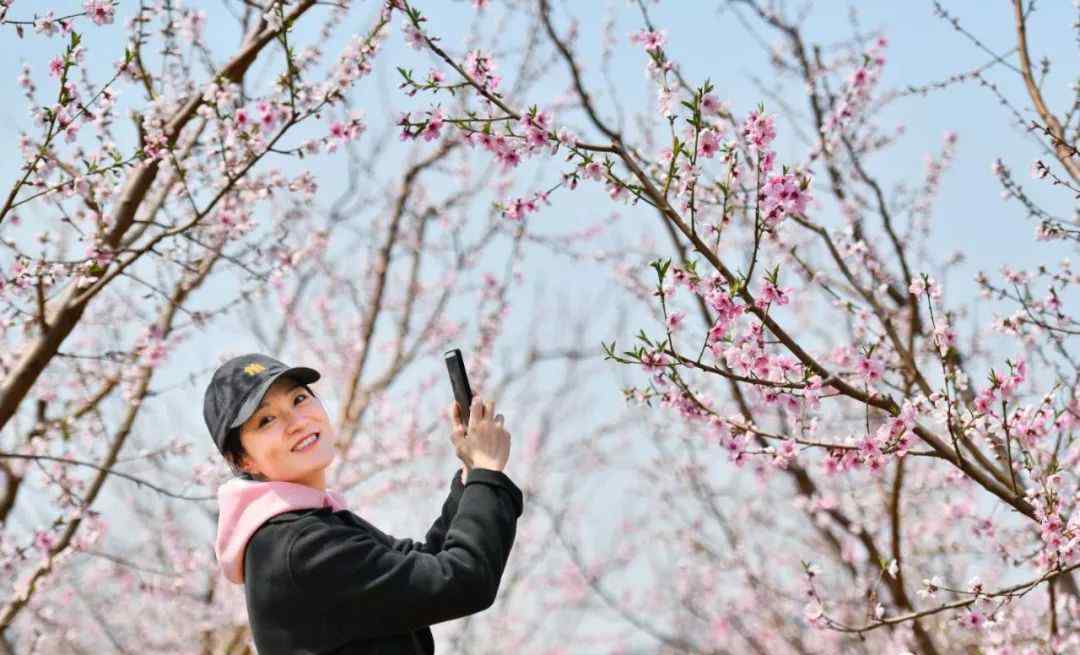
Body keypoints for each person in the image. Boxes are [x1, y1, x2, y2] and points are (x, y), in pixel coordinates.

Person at [202, 352, 522, 655]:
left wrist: (471, 475)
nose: (295, 421)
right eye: (267, 420)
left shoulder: (309, 526)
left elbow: (425, 560)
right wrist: (487, 472)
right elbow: (462, 579)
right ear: (242, 460)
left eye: (299, 399)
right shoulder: (300, 546)